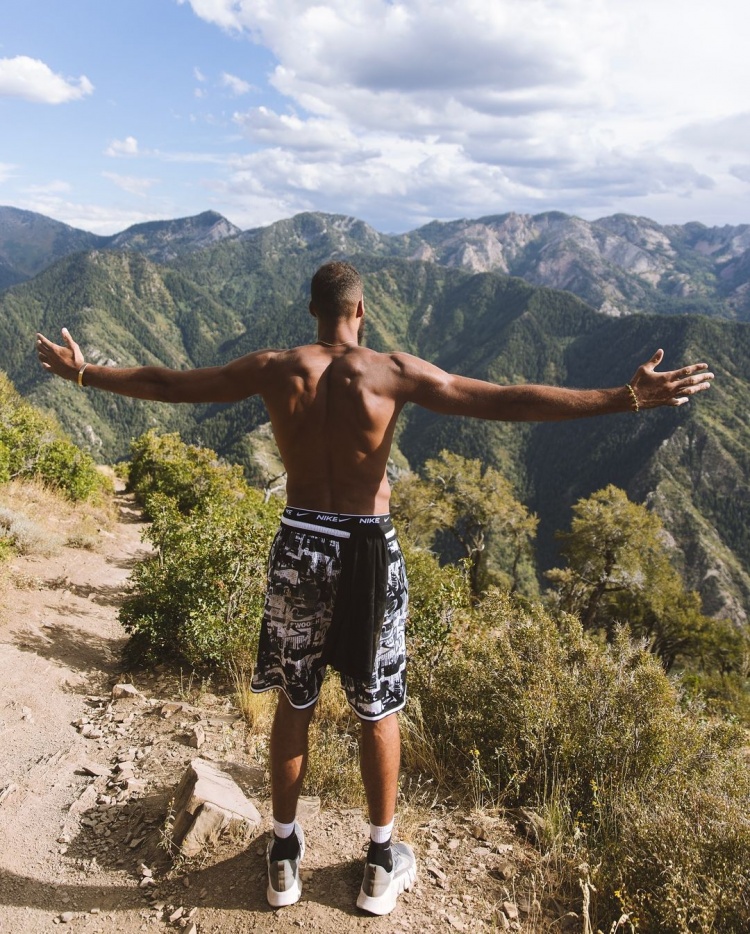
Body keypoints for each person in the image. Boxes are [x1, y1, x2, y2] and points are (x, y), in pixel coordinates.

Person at [36, 261, 713, 915]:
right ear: (361, 310)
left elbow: (175, 383)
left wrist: (87, 372)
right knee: (377, 707)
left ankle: (282, 854)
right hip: (367, 546)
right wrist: (623, 398)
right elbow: (506, 401)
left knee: (296, 699)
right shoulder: (393, 372)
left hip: (302, 541)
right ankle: (380, 863)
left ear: (313, 310)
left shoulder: (276, 369)